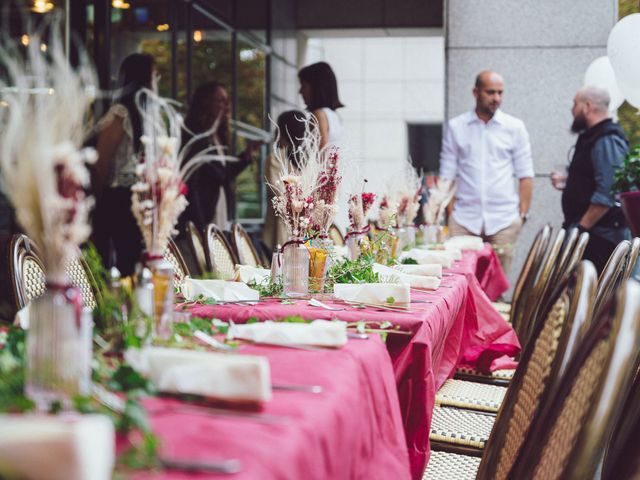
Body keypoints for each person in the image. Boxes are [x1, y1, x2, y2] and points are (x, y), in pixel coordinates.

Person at [439, 70, 534, 275]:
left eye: (500, 93)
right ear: (475, 92)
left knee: (495, 285)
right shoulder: (457, 127)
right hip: (463, 221)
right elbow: (447, 175)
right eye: (490, 92)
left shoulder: (515, 127)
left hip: (505, 222)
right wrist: (450, 213)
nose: (496, 98)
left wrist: (522, 215)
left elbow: (525, 173)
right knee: (459, 280)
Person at [551, 85, 629, 273]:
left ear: (587, 106)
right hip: (589, 234)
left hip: (599, 238)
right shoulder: (594, 136)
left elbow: (608, 192)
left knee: (591, 298)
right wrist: (570, 182)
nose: (572, 109)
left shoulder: (606, 139)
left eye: (574, 104)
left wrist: (580, 229)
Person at [92, 53, 157, 276]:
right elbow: (102, 158)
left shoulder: (146, 114)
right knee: (122, 260)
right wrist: (97, 198)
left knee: (135, 260)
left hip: (137, 197)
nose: (156, 79)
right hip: (117, 196)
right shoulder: (120, 112)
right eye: (153, 73)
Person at [178, 81, 259, 233]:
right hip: (203, 217)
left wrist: (246, 157)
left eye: (227, 100)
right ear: (206, 103)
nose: (227, 105)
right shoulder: (197, 137)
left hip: (219, 210)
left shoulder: (217, 136)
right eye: (221, 100)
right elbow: (190, 183)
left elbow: (222, 174)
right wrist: (199, 224)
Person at [262, 110, 307, 251]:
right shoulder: (277, 159)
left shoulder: (305, 160)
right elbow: (280, 194)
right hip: (280, 230)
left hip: (300, 230)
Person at [298, 61, 344, 149]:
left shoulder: (319, 115)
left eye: (304, 86)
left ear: (316, 88)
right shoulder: (333, 115)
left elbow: (321, 156)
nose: (300, 91)